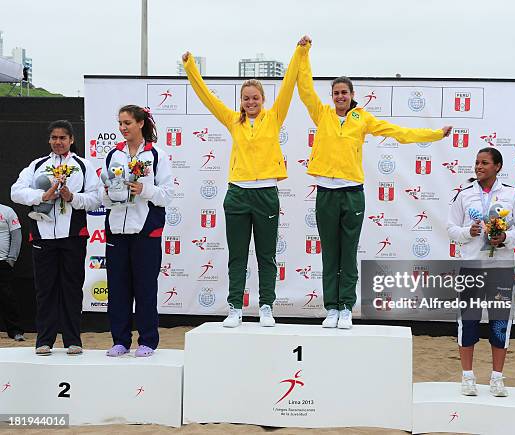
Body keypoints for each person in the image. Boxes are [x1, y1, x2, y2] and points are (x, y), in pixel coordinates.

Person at [297, 36, 451, 329]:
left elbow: (399, 132)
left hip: (352, 193)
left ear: (353, 94)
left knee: (348, 252)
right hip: (326, 193)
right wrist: (304, 53)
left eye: (344, 92)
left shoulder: (362, 119)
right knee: (330, 253)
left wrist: (434, 134)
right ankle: (331, 308)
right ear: (331, 96)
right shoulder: (323, 114)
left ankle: (345, 308)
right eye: (336, 92)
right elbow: (304, 88)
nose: (340, 96)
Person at [182, 37, 309, 328]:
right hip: (237, 195)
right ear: (240, 101)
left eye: (255, 98)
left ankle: (266, 306)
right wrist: (190, 68)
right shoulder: (232, 120)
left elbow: (289, 84)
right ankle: (235, 308)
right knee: (237, 256)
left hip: (266, 193)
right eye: (246, 98)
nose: (250, 102)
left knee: (267, 256)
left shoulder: (274, 117)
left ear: (263, 100)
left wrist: (300, 51)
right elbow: (207, 97)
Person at [11, 120, 101, 355]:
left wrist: (72, 197)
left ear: (71, 140)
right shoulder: (37, 166)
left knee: (72, 287)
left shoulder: (83, 165)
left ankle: (73, 339)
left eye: (62, 138)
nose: (58, 142)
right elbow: (16, 192)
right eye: (54, 138)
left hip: (73, 235)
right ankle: (45, 340)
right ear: (49, 140)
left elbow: (95, 199)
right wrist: (43, 195)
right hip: (43, 236)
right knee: (45, 289)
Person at [447, 147, 515, 397]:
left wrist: (505, 238)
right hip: (471, 267)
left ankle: (496, 378)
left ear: (498, 167)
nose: (479, 167)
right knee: (468, 322)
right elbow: (451, 227)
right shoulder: (464, 195)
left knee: (500, 324)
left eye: (484, 163)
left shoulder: (512, 195)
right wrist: (466, 233)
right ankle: (468, 377)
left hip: (501, 269)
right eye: (477, 163)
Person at [102, 105, 173, 358]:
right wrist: (109, 195)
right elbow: (104, 194)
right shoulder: (113, 155)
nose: (123, 128)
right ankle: (120, 340)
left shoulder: (157, 155)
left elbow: (167, 194)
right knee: (118, 289)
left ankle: (147, 341)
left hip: (146, 232)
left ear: (141, 123)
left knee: (145, 288)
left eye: (127, 123)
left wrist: (144, 189)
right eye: (120, 123)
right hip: (117, 231)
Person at [0, 203, 25, 341]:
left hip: (3, 262)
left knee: (7, 298)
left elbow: (16, 235)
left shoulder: (7, 211)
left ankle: (15, 331)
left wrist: (11, 258)